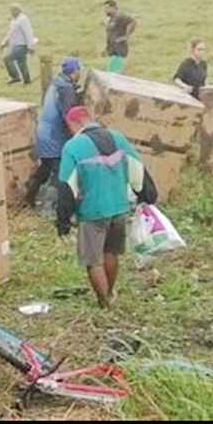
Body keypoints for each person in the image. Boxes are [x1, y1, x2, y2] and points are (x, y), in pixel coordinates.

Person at [57, 106, 156, 309]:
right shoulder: (118, 138)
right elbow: (137, 169)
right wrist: (147, 196)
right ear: (90, 118)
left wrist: (63, 220)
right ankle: (110, 292)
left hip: (92, 212)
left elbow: (67, 186)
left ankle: (104, 302)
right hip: (119, 208)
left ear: (73, 124)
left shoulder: (73, 147)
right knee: (111, 252)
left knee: (94, 260)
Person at [25, 56, 82, 209]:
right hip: (55, 135)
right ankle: (50, 206)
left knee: (45, 168)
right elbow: (68, 116)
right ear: (75, 71)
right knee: (58, 171)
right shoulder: (66, 89)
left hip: (43, 133)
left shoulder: (56, 84)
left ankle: (29, 198)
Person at [0, 3, 35, 85]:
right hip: (15, 44)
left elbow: (28, 33)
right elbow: (10, 33)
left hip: (22, 45)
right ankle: (27, 80)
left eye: (14, 10)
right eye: (11, 10)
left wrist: (30, 46)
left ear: (19, 10)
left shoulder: (23, 20)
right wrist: (4, 42)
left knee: (7, 59)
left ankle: (15, 77)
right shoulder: (14, 20)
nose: (12, 12)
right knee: (21, 62)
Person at [103, 0, 137, 74]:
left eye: (107, 8)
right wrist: (107, 48)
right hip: (113, 51)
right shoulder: (111, 20)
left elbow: (132, 22)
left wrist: (126, 36)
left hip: (119, 51)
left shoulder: (120, 16)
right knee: (109, 72)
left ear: (113, 8)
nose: (105, 10)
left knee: (112, 74)